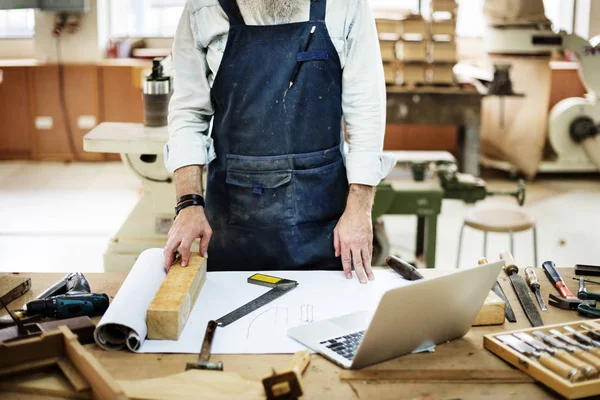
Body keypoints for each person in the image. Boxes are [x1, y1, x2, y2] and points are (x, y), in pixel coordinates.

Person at [163, 0, 395, 283]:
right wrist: (188, 204)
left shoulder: (346, 6)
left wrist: (359, 209)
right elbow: (188, 113)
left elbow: (367, 111)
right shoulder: (203, 8)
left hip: (322, 224)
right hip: (233, 221)